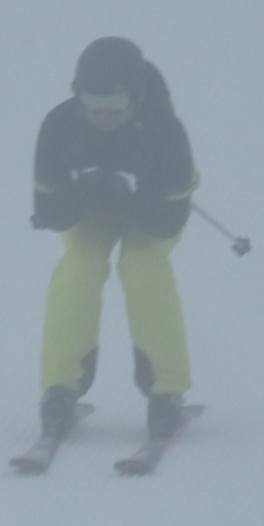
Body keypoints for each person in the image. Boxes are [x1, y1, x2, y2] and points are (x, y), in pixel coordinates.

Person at [30, 37, 197, 444]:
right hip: (89, 215)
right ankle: (59, 390)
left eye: (117, 102)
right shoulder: (59, 127)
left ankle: (166, 392)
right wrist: (80, 192)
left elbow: (169, 221)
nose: (104, 114)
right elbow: (49, 213)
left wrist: (132, 198)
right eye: (93, 101)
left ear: (136, 96)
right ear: (78, 94)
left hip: (149, 215)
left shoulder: (165, 131)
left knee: (142, 266)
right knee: (80, 267)